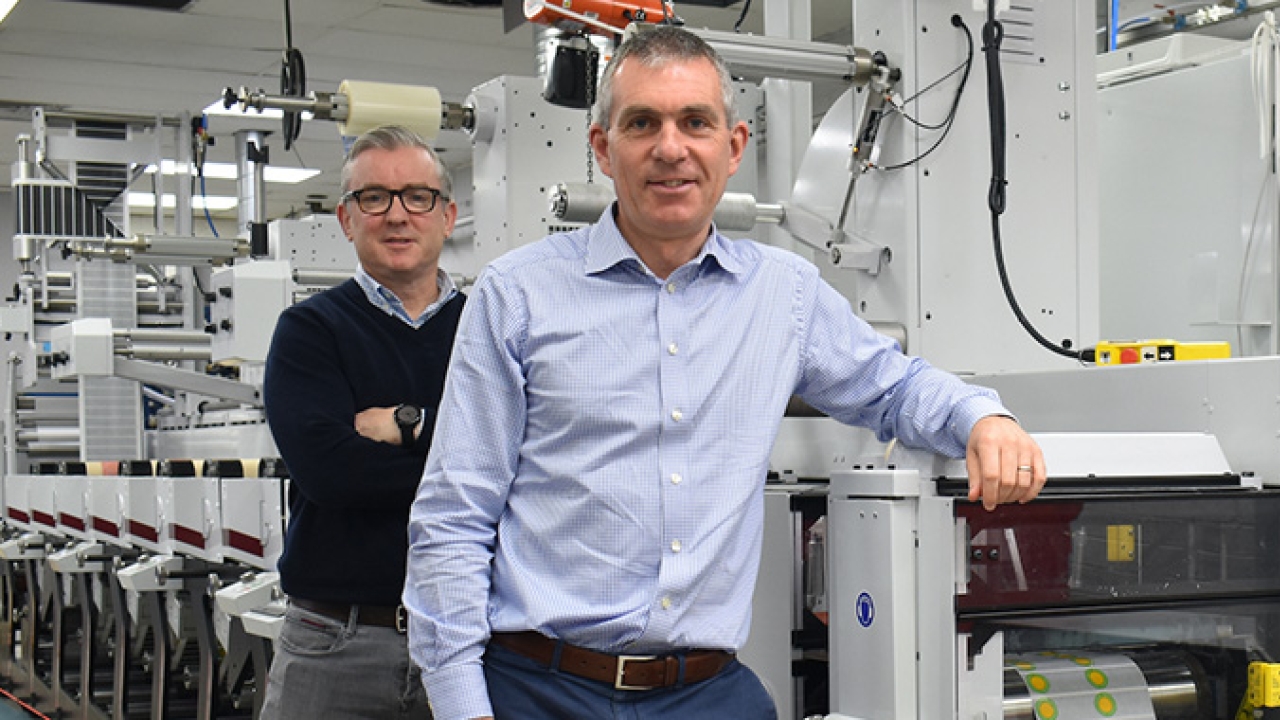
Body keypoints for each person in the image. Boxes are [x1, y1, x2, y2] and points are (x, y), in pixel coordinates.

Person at [404, 26, 1046, 720]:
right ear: (602, 148)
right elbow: (453, 516)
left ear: (733, 147)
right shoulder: (517, 296)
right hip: (540, 689)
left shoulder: (784, 295)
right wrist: (463, 707)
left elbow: (891, 385)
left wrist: (982, 416)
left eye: (695, 123)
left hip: (709, 695)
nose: (670, 148)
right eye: (642, 122)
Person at [261, 124, 463, 719]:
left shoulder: (490, 332)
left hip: (462, 641)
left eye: (417, 196)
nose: (397, 215)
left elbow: (530, 461)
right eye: (374, 197)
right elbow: (332, 474)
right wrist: (468, 460)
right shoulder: (310, 331)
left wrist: (411, 425)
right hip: (333, 643)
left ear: (447, 215)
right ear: (347, 219)